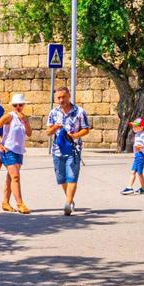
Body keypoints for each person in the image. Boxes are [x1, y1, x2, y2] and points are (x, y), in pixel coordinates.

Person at [46, 86, 91, 215]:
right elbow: (48, 132)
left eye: (63, 97)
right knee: (62, 178)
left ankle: (67, 203)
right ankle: (70, 199)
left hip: (73, 149)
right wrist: (55, 127)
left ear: (69, 96)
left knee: (72, 176)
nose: (61, 100)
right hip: (57, 150)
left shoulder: (79, 112)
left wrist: (75, 136)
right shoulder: (53, 113)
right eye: (59, 98)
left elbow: (86, 129)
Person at [0, 92, 31, 213]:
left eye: (20, 104)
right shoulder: (9, 116)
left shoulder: (24, 118)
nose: (18, 107)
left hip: (19, 151)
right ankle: (20, 204)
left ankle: (5, 202)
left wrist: (25, 121)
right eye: (15, 105)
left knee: (10, 178)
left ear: (23, 105)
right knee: (15, 177)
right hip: (8, 150)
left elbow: (29, 134)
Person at [123, 117, 144, 195]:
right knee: (133, 171)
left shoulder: (142, 135)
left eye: (136, 126)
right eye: (133, 126)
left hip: (141, 156)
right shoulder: (137, 134)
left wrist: (140, 147)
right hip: (137, 156)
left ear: (141, 127)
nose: (134, 128)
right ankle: (131, 187)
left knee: (139, 173)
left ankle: (142, 189)